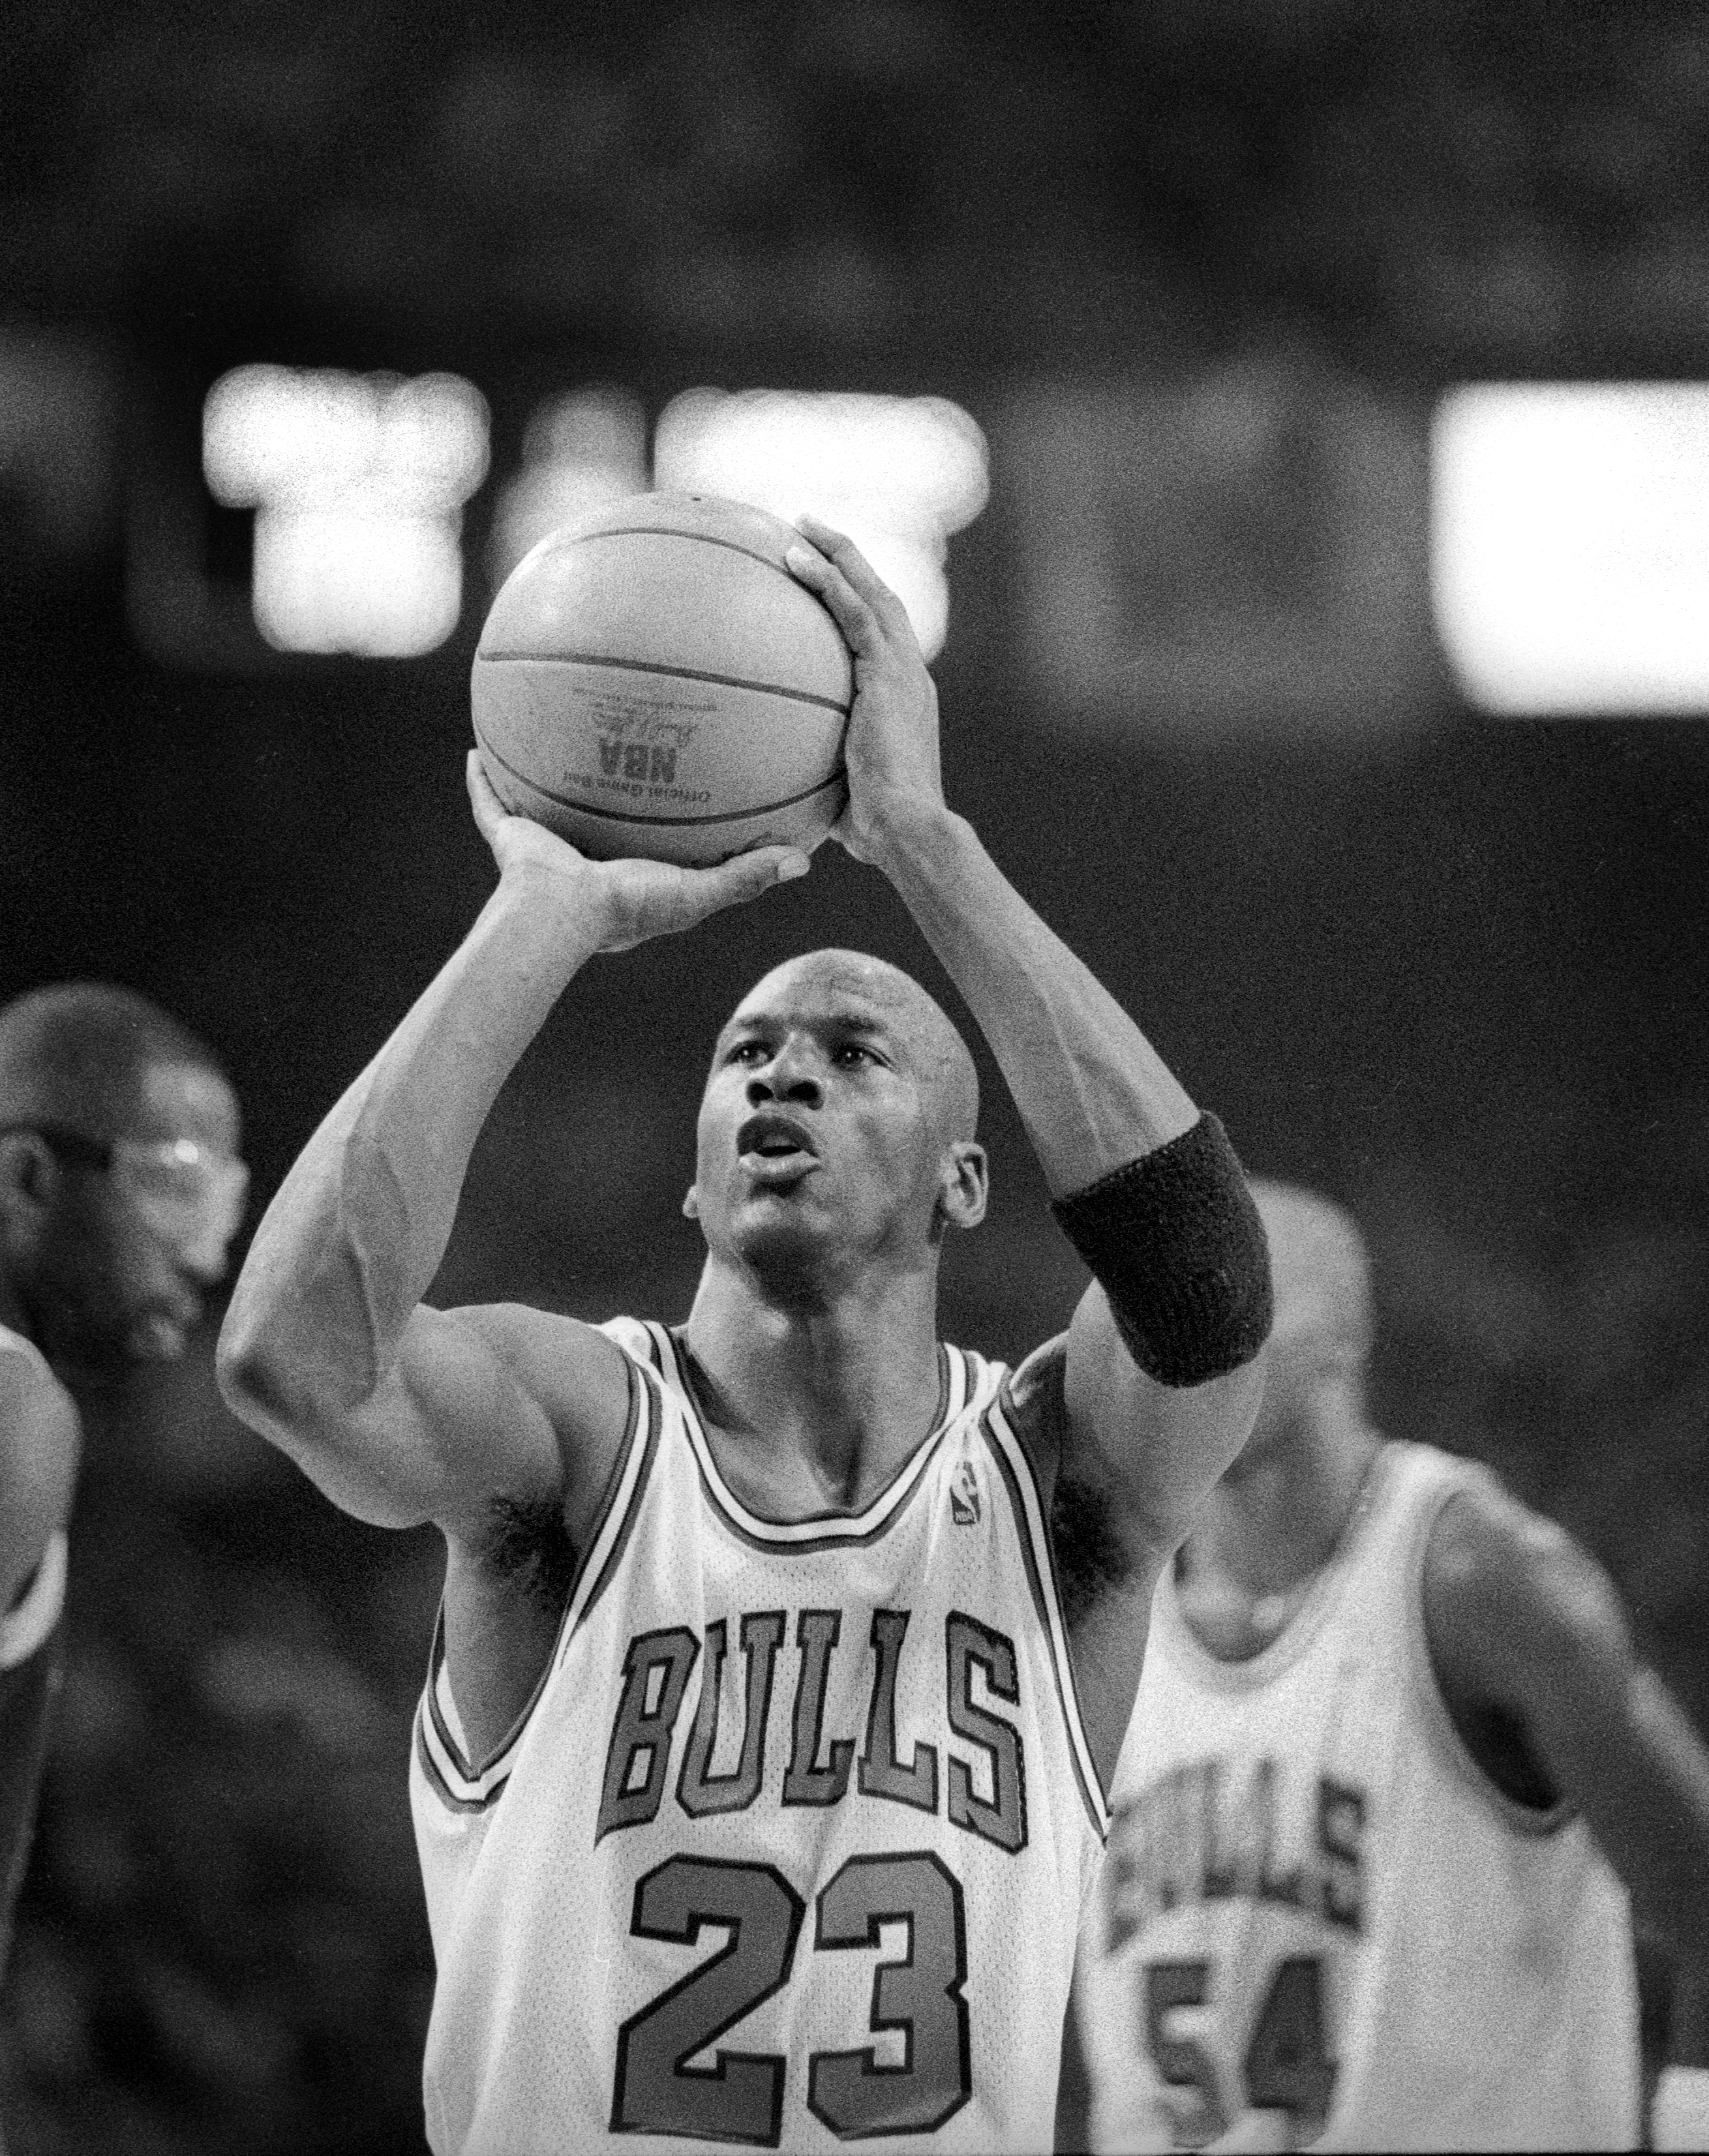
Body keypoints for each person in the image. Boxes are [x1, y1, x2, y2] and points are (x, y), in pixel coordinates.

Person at [216, 517, 1274, 2155]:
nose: (781, 1075)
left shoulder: (1056, 1478)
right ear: (693, 1186)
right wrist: (541, 916)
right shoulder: (576, 1432)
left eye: (855, 1055)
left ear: (963, 1182)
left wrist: (922, 840)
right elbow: (292, 1357)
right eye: (745, 1053)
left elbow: (1202, 1292)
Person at [1063, 1178, 1709, 2153]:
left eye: (1230, 1286)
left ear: (1340, 1332)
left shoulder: (1478, 1576)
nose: (1190, 1325)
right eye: (1168, 1297)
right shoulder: (1098, 1618)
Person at [0, 982, 248, 1984]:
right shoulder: (15, 1404)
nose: (208, 1255)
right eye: (173, 1187)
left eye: (226, 1199)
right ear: (28, 1178)